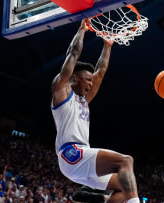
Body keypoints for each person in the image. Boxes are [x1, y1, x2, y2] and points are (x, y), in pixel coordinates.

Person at [51, 19, 140, 203]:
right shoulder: (62, 92)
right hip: (71, 154)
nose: (91, 84)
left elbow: (101, 71)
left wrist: (107, 46)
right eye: (87, 80)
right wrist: (82, 30)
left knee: (126, 187)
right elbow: (73, 54)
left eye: (91, 81)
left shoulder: (84, 100)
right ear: (75, 78)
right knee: (126, 161)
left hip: (80, 159)